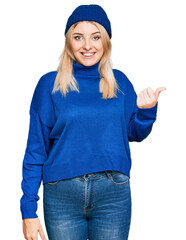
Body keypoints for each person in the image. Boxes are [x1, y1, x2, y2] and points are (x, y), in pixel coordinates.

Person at [20, 4, 166, 240]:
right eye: (79, 37)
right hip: (61, 195)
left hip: (113, 194)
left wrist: (146, 112)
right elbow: (36, 150)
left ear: (106, 42)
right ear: (69, 42)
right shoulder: (50, 84)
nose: (87, 46)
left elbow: (133, 133)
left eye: (95, 37)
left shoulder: (119, 82)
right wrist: (28, 209)